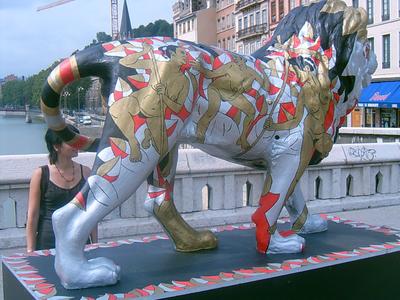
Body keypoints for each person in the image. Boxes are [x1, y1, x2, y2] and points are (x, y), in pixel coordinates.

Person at [26, 125, 97, 252]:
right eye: (71, 141)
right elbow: (33, 216)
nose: (77, 145)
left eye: (77, 140)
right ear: (56, 146)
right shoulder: (41, 174)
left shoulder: (85, 172)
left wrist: (95, 244)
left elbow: (90, 213)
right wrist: (30, 251)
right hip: (48, 242)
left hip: (79, 240)